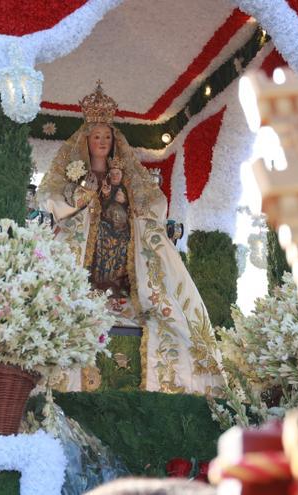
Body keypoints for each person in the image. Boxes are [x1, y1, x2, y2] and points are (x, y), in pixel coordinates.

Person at [38, 83, 223, 394]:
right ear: (86, 141)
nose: (102, 142)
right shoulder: (75, 179)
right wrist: (85, 195)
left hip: (120, 248)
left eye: (107, 137)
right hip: (85, 253)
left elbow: (149, 204)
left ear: (114, 143)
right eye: (96, 137)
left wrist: (119, 196)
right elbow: (54, 199)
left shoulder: (123, 178)